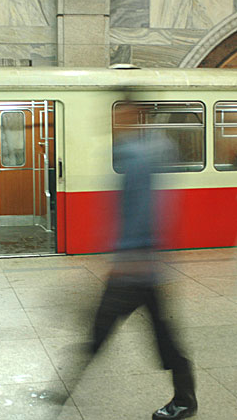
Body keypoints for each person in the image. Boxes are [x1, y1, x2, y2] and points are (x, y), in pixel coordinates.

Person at [89, 108, 197, 419]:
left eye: (118, 116)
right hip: (140, 265)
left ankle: (185, 400)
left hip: (137, 268)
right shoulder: (135, 153)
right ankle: (185, 398)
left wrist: (129, 258)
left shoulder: (137, 158)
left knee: (155, 336)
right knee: (151, 334)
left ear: (131, 118)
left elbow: (144, 212)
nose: (113, 122)